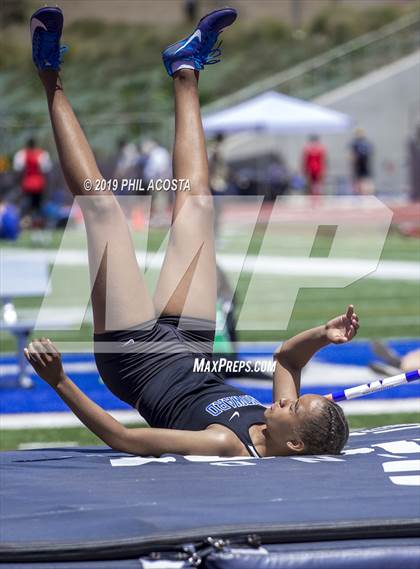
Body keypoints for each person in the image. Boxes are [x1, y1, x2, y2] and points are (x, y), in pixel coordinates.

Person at [25, 6, 358, 458]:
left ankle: (49, 72)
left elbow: (126, 440)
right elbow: (286, 360)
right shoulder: (276, 417)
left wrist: (59, 380)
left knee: (105, 212)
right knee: (198, 203)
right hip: (192, 345)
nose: (282, 397)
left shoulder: (226, 442)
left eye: (291, 405)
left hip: (137, 361)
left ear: (294, 441)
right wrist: (324, 333)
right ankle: (186, 67)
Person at [13, 137, 52, 219]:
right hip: (38, 183)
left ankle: (29, 219)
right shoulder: (42, 154)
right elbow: (46, 169)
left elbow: (18, 169)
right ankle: (36, 220)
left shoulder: (22, 154)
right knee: (37, 204)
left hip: (27, 183)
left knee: (28, 203)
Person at [350, 128, 374, 195]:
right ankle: (362, 192)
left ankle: (365, 192)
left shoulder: (361, 143)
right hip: (361, 164)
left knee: (364, 180)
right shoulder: (357, 143)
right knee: (361, 180)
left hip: (363, 164)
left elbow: (353, 155)